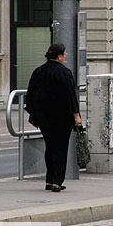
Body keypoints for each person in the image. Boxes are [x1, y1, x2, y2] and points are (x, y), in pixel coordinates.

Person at [26, 43, 82, 193]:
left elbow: (30, 95)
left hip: (44, 119)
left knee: (50, 148)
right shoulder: (64, 73)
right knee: (60, 149)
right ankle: (57, 181)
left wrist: (34, 115)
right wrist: (76, 115)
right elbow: (70, 96)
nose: (66, 56)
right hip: (62, 118)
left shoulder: (38, 72)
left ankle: (49, 180)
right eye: (64, 54)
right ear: (59, 56)